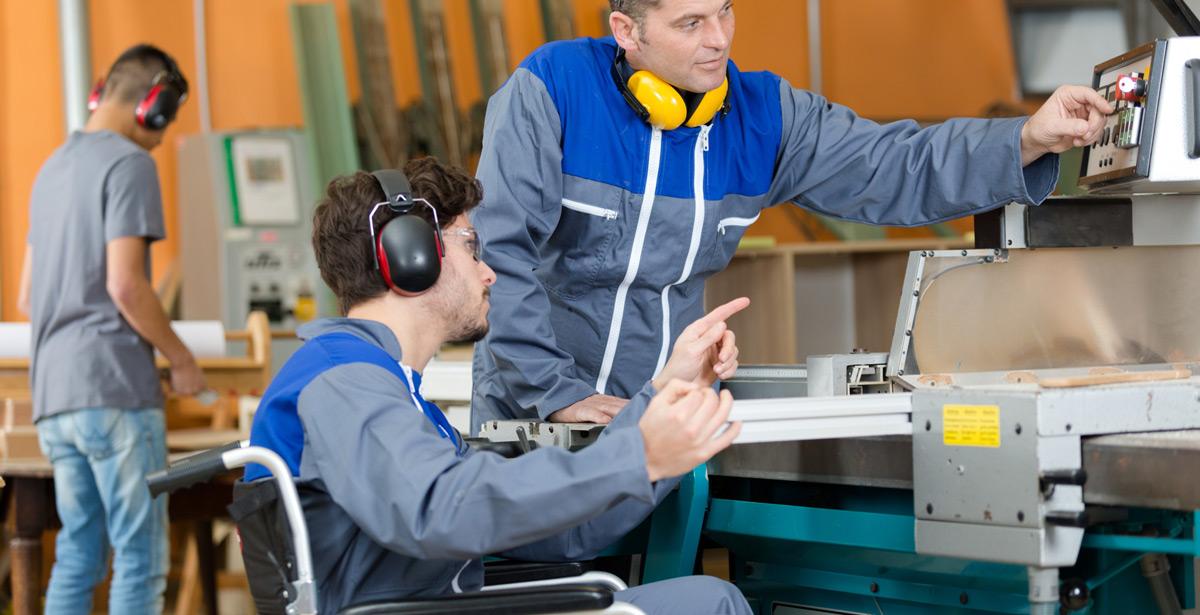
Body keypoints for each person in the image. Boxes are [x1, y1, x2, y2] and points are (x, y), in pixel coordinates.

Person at [469, 0, 1113, 430]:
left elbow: (896, 164)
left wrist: (1026, 138)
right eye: (690, 24)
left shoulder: (763, 115)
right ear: (626, 31)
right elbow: (498, 257)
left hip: (664, 424)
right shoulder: (550, 91)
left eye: (724, 11)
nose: (718, 39)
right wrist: (556, 398)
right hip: (532, 428)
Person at [244, 157, 752, 615]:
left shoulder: (394, 392)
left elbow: (561, 534)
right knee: (708, 603)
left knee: (708, 599)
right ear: (409, 256)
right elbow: (438, 508)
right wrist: (636, 456)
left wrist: (667, 390)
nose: (489, 274)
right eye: (471, 247)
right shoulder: (343, 380)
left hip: (439, 605)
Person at [17, 44, 203, 614]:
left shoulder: (51, 169)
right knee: (141, 558)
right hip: (115, 391)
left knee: (78, 551)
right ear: (154, 105)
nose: (163, 135)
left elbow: (27, 295)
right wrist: (181, 357)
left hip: (54, 395)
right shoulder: (130, 164)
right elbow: (127, 285)